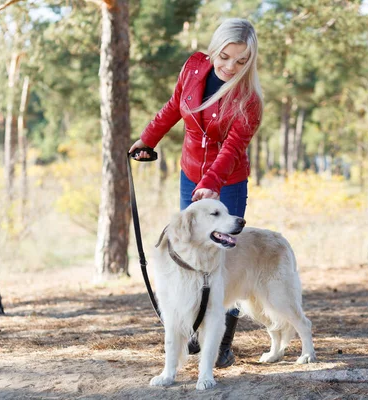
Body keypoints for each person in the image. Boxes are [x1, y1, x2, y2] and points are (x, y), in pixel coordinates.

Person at [129, 18, 263, 368]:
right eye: (225, 56)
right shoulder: (193, 67)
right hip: (190, 174)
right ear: (214, 47)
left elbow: (232, 148)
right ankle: (192, 331)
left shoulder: (249, 100)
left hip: (227, 181)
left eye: (241, 61)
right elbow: (175, 105)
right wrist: (148, 138)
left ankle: (220, 346)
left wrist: (212, 185)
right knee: (188, 251)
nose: (230, 66)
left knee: (222, 260)